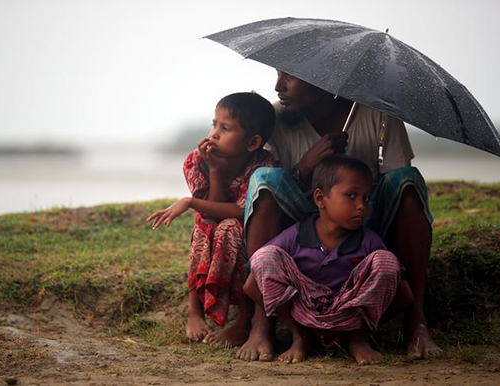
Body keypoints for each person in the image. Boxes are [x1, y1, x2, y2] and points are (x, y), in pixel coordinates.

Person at [237, 71, 440, 361]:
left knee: (408, 179)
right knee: (264, 178)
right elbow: (277, 193)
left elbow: (394, 188)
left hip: (362, 224)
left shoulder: (377, 113)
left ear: (325, 80)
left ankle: (415, 320)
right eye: (278, 75)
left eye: (290, 77)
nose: (278, 86)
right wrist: (304, 170)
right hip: (302, 222)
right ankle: (262, 323)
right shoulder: (278, 117)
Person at [244, 155, 403, 365]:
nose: (361, 206)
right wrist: (296, 325)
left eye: (366, 197)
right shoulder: (296, 234)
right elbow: (252, 284)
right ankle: (301, 338)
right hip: (301, 314)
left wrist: (358, 328)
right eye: (351, 195)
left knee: (386, 262)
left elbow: (404, 294)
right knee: (265, 257)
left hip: (350, 315)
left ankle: (358, 340)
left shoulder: (368, 241)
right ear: (320, 199)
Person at [146, 92, 277, 345]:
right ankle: (194, 311)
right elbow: (209, 210)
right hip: (211, 225)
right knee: (205, 226)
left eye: (225, 128)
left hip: (247, 231)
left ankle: (244, 318)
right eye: (214, 123)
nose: (214, 133)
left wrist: (189, 201)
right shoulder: (198, 161)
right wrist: (214, 169)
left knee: (229, 228)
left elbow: (241, 210)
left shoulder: (263, 166)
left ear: (252, 142)